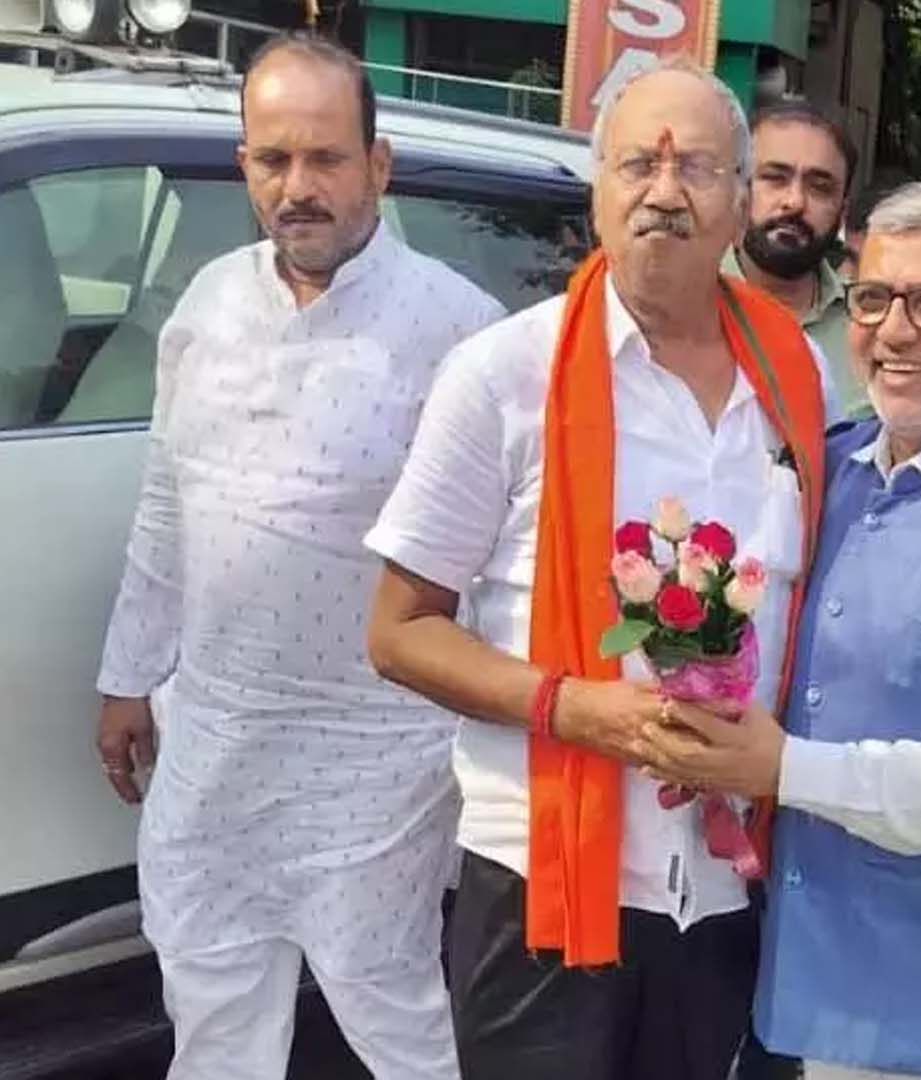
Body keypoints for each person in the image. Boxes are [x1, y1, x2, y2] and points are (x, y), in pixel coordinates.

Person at [362, 59, 832, 1080]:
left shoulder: (800, 373)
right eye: (639, 163)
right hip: (543, 888)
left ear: (742, 200)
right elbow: (397, 630)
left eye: (699, 166)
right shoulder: (503, 376)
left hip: (724, 891)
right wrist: (576, 709)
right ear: (597, 189)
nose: (666, 191)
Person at [91, 33, 504, 1079]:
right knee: (209, 989)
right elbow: (165, 504)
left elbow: (504, 562)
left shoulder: (463, 334)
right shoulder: (204, 311)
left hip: (378, 753)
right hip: (217, 732)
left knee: (391, 1008)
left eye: (325, 158)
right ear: (244, 168)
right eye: (274, 160)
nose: (299, 187)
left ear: (380, 165)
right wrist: (126, 677)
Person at [637, 184, 921, 1080]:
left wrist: (782, 768)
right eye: (875, 297)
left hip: (917, 1017)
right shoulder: (826, 465)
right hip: (766, 981)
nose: (894, 331)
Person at [725, 99, 862, 418]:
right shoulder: (683, 304)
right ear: (737, 189)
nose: (795, 202)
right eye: (775, 178)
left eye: (819, 187)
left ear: (841, 212)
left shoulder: (869, 328)